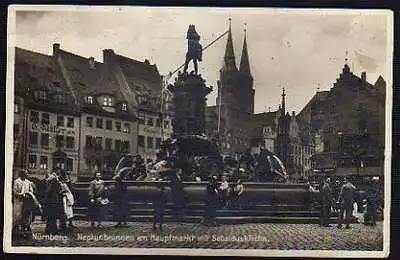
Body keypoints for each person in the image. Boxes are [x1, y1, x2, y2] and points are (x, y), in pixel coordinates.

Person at [13, 170, 41, 236]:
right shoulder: (17, 181)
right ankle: (15, 230)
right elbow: (15, 191)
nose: (27, 174)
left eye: (27, 173)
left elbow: (31, 190)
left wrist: (29, 193)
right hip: (19, 202)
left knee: (27, 216)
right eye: (26, 173)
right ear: (22, 174)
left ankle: (26, 229)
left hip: (27, 202)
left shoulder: (28, 182)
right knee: (18, 216)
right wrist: (22, 195)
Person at [44, 170, 63, 234]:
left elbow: (47, 189)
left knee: (50, 215)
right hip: (54, 198)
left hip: (48, 199)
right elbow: (59, 189)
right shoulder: (55, 179)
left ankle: (48, 230)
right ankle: (53, 229)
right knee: (54, 215)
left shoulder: (48, 179)